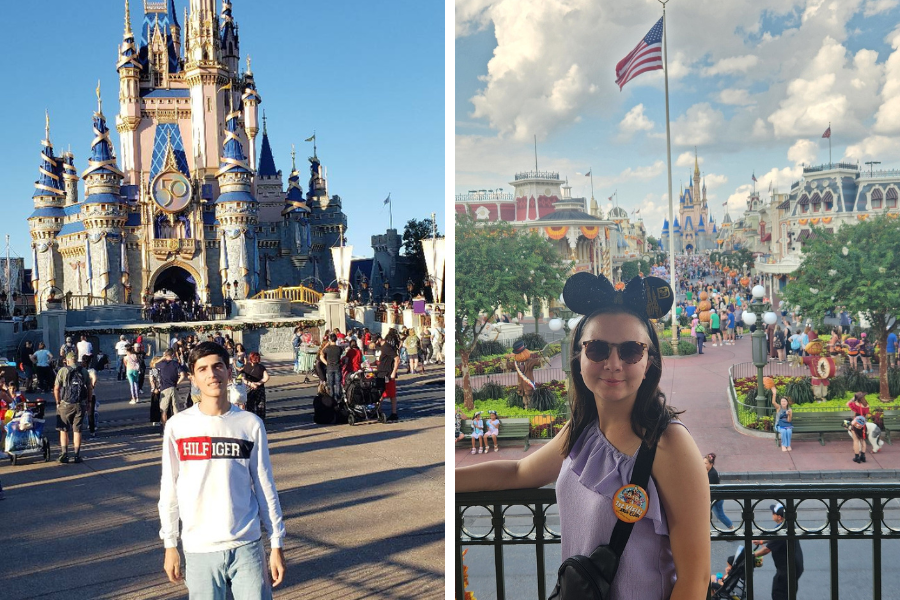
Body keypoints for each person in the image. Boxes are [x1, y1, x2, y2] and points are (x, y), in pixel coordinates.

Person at [455, 273, 710, 599]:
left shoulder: (669, 444)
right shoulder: (582, 430)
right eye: (598, 349)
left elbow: (696, 579)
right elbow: (519, 471)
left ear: (649, 362)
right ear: (578, 357)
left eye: (631, 350)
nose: (613, 364)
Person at [158, 342, 285, 597]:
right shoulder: (178, 427)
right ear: (193, 377)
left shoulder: (250, 424)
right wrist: (170, 544)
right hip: (199, 547)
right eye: (202, 369)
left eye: (218, 366)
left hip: (246, 544)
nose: (211, 374)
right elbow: (169, 489)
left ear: (229, 371)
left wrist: (276, 542)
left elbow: (264, 484)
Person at [753, 504, 804, 600]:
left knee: (779, 592)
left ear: (779, 517)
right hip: (796, 567)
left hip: (787, 570)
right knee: (790, 592)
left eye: (773, 513)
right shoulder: (787, 525)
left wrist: (752, 555)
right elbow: (774, 537)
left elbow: (767, 549)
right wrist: (762, 541)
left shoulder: (782, 531)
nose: (772, 515)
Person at [54, 352, 93, 464]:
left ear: (68, 360)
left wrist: (58, 402)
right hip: (80, 404)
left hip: (65, 403)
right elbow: (89, 388)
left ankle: (64, 454)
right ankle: (77, 455)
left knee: (63, 429)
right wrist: (89, 402)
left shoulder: (63, 371)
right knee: (77, 430)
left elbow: (56, 388)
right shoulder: (84, 371)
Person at [157, 349, 188, 428]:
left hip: (164, 388)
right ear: (173, 355)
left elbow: (154, 364)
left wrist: (162, 358)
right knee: (176, 408)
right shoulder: (176, 364)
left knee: (164, 410)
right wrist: (177, 383)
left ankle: (165, 427)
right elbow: (183, 375)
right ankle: (177, 427)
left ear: (165, 355)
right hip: (173, 387)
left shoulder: (161, 364)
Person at [377, 331, 401, 422]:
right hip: (384, 372)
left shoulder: (386, 347)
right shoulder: (387, 347)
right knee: (387, 394)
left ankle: (383, 412)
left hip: (386, 373)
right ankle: (383, 411)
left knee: (385, 393)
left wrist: (394, 372)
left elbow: (397, 359)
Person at [704, 453, 732, 528]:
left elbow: (707, 486)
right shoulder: (707, 471)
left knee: (720, 515)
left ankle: (731, 528)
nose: (703, 465)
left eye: (705, 463)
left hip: (716, 499)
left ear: (711, 464)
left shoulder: (712, 474)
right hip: (713, 498)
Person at [241, 352, 270, 422]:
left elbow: (243, 378)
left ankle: (251, 420)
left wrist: (250, 383)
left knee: (249, 404)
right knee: (260, 405)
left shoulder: (245, 366)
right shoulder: (261, 367)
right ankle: (260, 420)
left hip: (249, 388)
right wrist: (258, 383)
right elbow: (266, 377)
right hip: (259, 388)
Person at [81, 355, 99, 438]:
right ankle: (92, 430)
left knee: (79, 413)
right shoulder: (92, 371)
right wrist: (92, 386)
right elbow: (94, 380)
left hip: (81, 393)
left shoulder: (80, 370)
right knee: (90, 413)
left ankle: (78, 430)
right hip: (91, 393)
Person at [321, 335, 344, 400]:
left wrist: (326, 345)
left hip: (329, 367)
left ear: (330, 340)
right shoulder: (339, 348)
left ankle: (331, 397)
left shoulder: (327, 349)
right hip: (337, 367)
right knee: (338, 383)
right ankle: (338, 397)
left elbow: (321, 352)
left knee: (330, 383)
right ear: (336, 339)